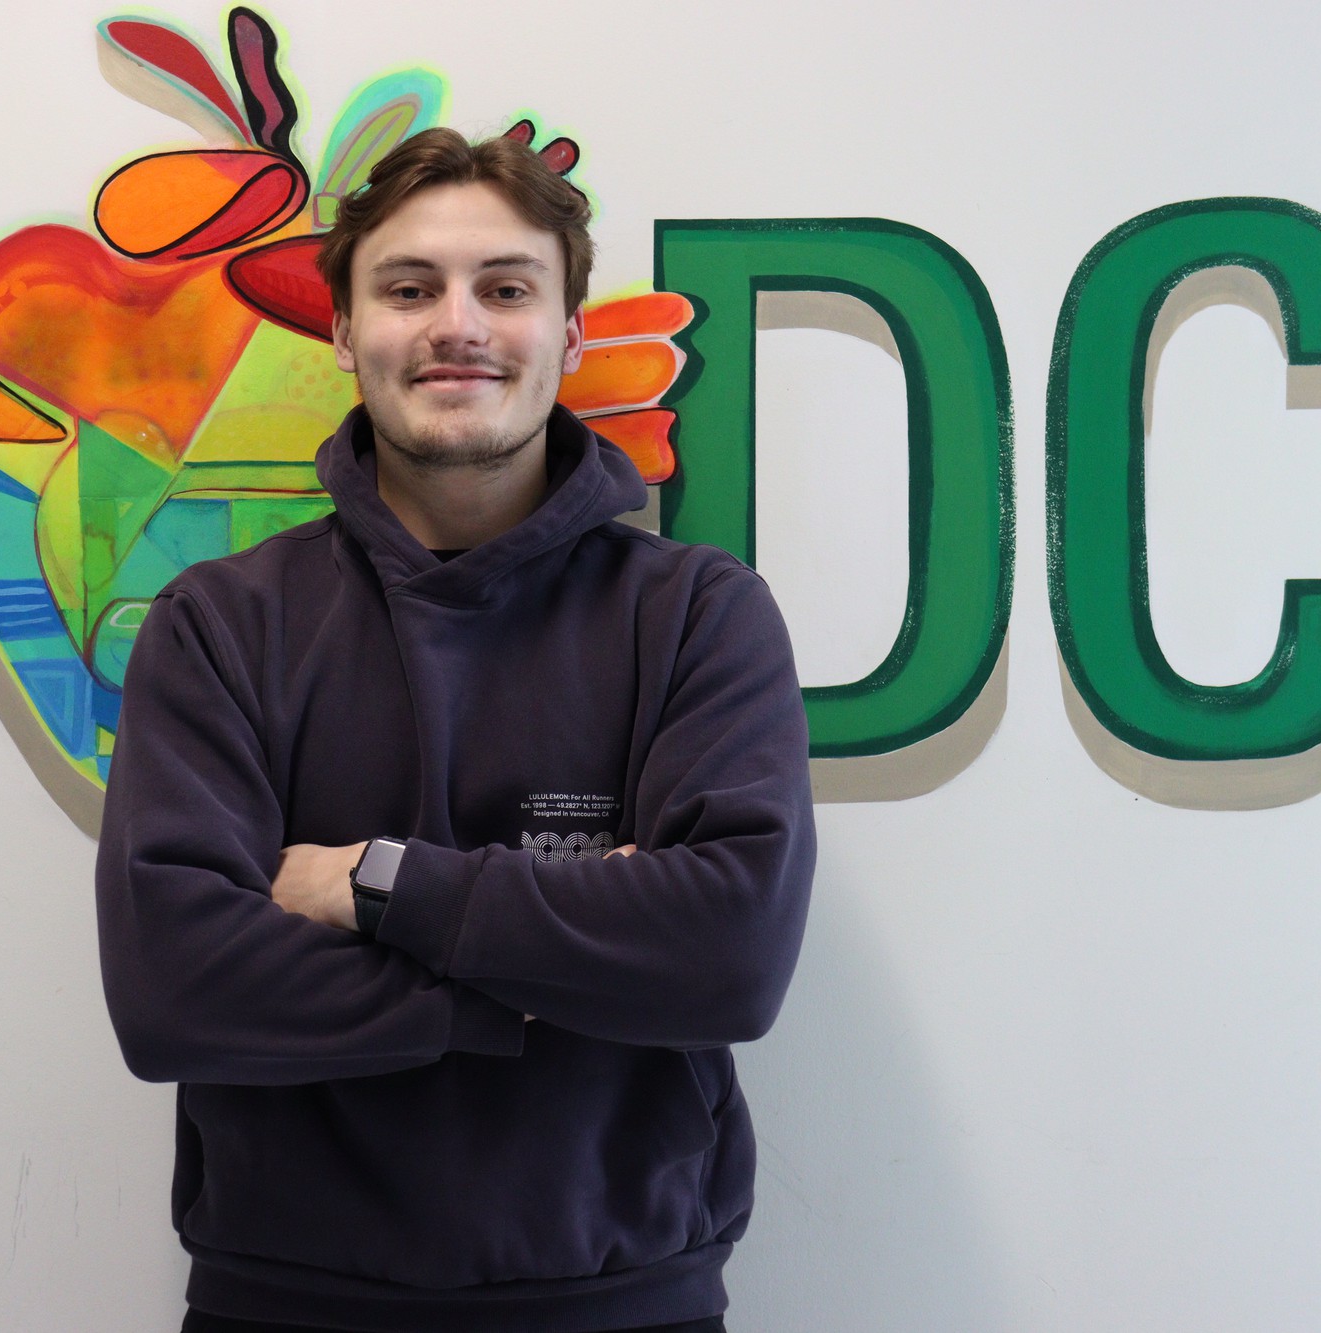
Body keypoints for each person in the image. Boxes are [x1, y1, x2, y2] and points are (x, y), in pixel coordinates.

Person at [95, 127, 817, 1333]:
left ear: (570, 333)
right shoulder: (219, 625)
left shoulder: (697, 614)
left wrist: (375, 885)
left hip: (624, 1308)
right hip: (283, 1308)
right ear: (342, 329)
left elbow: (729, 956)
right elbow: (174, 987)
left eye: (506, 289)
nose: (457, 325)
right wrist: (541, 978)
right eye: (408, 288)